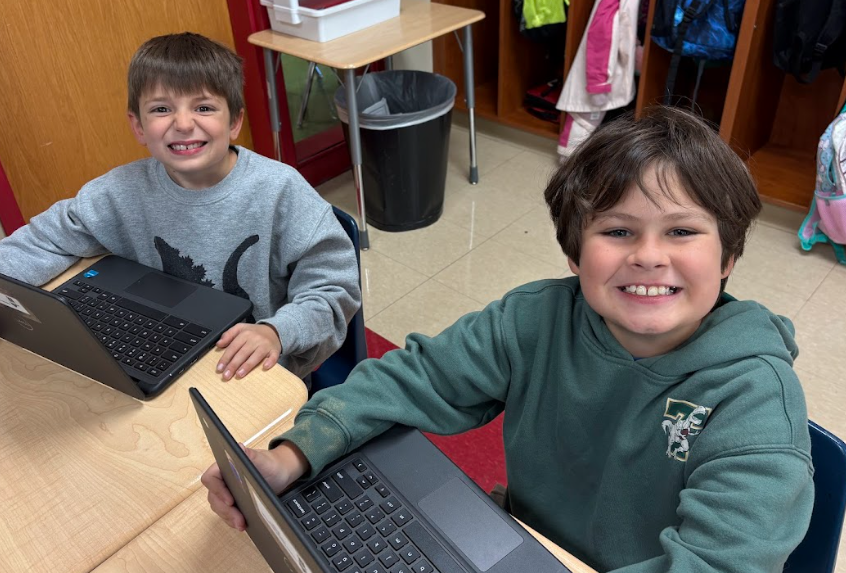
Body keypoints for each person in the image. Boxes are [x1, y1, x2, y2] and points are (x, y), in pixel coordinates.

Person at [202, 106, 814, 572]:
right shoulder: (536, 319)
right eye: (619, 231)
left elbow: (720, 562)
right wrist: (291, 455)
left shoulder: (754, 397)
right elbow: (413, 378)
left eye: (682, 231)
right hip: (519, 546)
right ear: (575, 253)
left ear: (729, 255)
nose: (649, 257)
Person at [0, 32, 361, 381]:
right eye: (161, 109)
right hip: (157, 350)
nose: (184, 124)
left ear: (234, 121)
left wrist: (277, 332)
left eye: (203, 107)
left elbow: (334, 290)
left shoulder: (281, 191)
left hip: (253, 367)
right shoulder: (120, 191)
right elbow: (44, 239)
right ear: (139, 126)